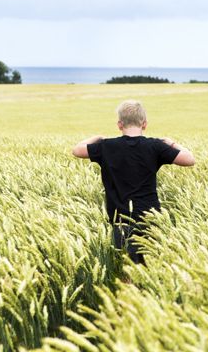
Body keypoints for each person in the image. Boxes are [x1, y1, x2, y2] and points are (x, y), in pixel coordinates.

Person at [72, 100, 195, 265]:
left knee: (125, 267)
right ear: (144, 124)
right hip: (150, 218)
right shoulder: (155, 146)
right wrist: (171, 142)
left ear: (119, 125)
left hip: (120, 219)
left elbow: (77, 150)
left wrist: (99, 138)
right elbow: (189, 159)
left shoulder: (106, 146)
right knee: (150, 268)